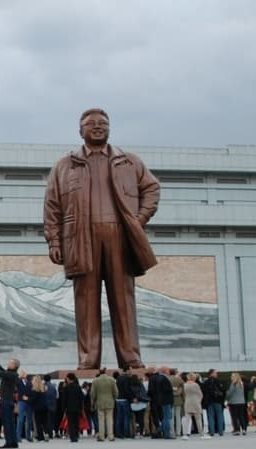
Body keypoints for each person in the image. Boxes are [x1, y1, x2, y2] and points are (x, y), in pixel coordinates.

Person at [43, 108, 160, 370]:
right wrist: (54, 241)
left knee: (123, 299)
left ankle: (130, 356)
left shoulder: (128, 161)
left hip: (120, 237)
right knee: (86, 301)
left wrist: (138, 219)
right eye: (91, 124)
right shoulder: (65, 165)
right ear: (80, 130)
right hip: (80, 239)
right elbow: (52, 206)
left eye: (103, 123)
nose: (97, 127)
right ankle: (88, 358)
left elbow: (151, 188)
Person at [0, 354, 20, 449]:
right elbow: (2, 370)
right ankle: (13, 441)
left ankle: (9, 442)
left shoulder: (11, 374)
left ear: (15, 366)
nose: (8, 363)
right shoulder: (11, 374)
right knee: (10, 422)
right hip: (8, 401)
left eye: (11, 362)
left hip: (6, 401)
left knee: (6, 422)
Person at [90, 367, 118, 442]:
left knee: (101, 420)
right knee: (110, 419)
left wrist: (93, 401)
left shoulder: (95, 381)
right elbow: (116, 392)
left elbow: (92, 394)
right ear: (105, 371)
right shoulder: (111, 380)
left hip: (99, 402)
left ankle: (101, 436)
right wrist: (114, 397)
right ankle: (110, 436)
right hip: (110, 402)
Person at [182, 372, 209, 439]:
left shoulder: (185, 385)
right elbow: (200, 394)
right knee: (198, 419)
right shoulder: (195, 385)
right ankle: (201, 434)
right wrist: (199, 400)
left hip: (187, 402)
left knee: (187, 419)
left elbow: (184, 394)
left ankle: (185, 434)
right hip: (195, 402)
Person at [203, 369, 226, 437]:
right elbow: (223, 391)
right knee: (219, 416)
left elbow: (204, 392)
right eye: (216, 373)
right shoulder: (218, 381)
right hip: (218, 401)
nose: (217, 374)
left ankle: (212, 431)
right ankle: (220, 431)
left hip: (209, 401)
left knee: (210, 416)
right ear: (212, 373)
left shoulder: (206, 382)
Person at [63, 373, 85, 443]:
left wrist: (64, 408)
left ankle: (72, 437)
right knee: (76, 422)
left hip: (69, 408)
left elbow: (64, 399)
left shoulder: (66, 388)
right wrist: (81, 407)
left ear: (69, 379)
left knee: (71, 422)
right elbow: (81, 398)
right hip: (77, 408)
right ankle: (76, 435)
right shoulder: (78, 387)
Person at [29, 375, 49, 442]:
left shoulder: (34, 390)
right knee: (44, 422)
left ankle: (41, 437)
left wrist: (27, 398)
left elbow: (32, 400)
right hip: (45, 407)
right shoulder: (43, 389)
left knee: (38, 423)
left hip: (37, 408)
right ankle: (46, 433)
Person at [115, 368, 133, 438]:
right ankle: (126, 433)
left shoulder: (118, 378)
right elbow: (127, 389)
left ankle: (119, 433)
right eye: (130, 370)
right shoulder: (127, 378)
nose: (131, 371)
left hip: (118, 399)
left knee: (119, 417)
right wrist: (131, 397)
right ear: (127, 370)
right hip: (125, 399)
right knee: (126, 417)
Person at [15, 370, 33, 443]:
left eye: (24, 373)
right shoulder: (18, 382)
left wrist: (29, 398)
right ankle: (18, 437)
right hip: (21, 402)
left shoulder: (30, 383)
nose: (23, 374)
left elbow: (32, 392)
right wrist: (19, 377)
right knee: (20, 419)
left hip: (29, 402)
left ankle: (28, 436)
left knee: (29, 420)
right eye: (22, 373)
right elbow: (15, 381)